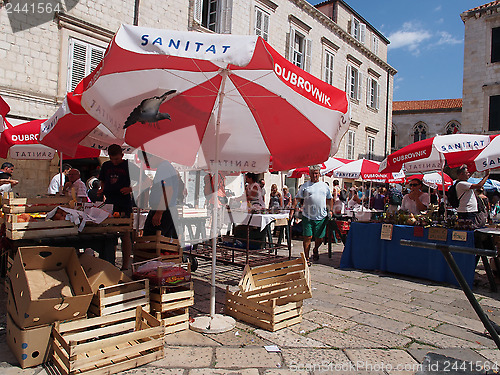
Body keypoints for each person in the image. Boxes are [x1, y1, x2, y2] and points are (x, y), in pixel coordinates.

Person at [97, 144, 134, 270]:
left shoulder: (129, 165)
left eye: (117, 159)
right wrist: (102, 189)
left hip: (124, 203)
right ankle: (110, 263)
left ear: (122, 155)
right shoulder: (106, 165)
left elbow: (144, 182)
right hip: (109, 202)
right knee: (110, 233)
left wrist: (130, 189)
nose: (114, 162)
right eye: (112, 159)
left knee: (125, 234)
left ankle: (125, 265)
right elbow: (102, 180)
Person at [294, 165, 333, 265]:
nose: (314, 175)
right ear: (309, 174)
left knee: (319, 238)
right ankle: (306, 258)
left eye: (316, 173)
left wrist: (331, 210)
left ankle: (315, 249)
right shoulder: (305, 186)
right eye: (312, 173)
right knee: (308, 237)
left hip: (321, 216)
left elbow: (329, 198)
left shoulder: (324, 186)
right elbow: (298, 198)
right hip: (307, 215)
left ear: (319, 174)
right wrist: (295, 207)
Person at [142, 154, 181, 239]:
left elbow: (168, 191)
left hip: (163, 210)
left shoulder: (164, 168)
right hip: (166, 209)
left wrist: (159, 212)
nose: (147, 164)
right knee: (163, 242)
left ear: (154, 156)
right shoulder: (165, 167)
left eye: (147, 161)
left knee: (151, 240)